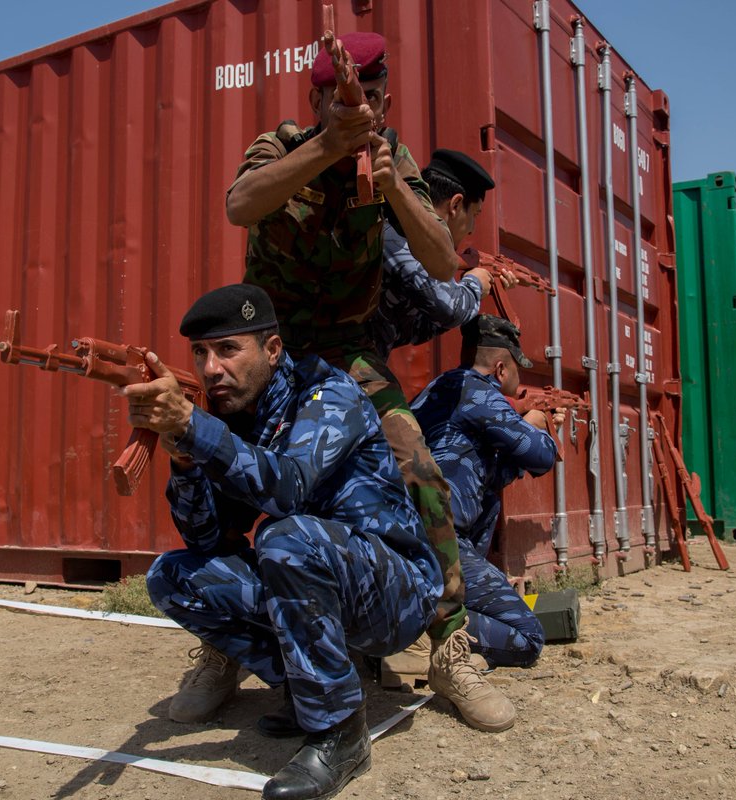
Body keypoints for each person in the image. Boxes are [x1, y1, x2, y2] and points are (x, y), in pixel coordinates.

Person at [226, 33, 514, 731]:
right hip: (275, 354)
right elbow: (241, 204)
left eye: (380, 99)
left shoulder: (393, 158)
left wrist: (389, 184)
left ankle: (449, 652)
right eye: (357, 98)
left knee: (420, 473)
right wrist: (327, 147)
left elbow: (443, 262)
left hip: (350, 354)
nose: (372, 109)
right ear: (319, 99)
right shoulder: (282, 144)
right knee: (225, 482)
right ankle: (221, 650)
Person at [126, 284, 442, 800]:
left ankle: (340, 733)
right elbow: (206, 537)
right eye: (200, 354)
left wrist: (193, 427)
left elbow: (288, 486)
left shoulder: (329, 395)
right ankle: (306, 685)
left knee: (284, 536)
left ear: (272, 351)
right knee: (174, 577)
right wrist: (184, 460)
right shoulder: (237, 414)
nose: (210, 369)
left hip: (396, 594)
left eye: (228, 350)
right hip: (313, 573)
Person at [411, 315, 561, 668]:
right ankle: (418, 629)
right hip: (440, 541)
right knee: (527, 637)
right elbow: (540, 456)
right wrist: (535, 426)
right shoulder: (476, 391)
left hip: (416, 536)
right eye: (518, 369)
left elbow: (484, 476)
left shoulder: (437, 391)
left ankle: (412, 617)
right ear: (500, 369)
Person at [368, 147, 517, 360]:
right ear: (455, 204)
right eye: (474, 214)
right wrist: (474, 284)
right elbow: (449, 310)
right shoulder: (399, 234)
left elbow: (416, 328)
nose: (472, 228)